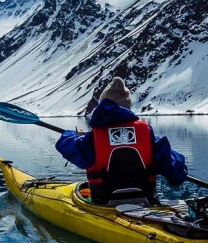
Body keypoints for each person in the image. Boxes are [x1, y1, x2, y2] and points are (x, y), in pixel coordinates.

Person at [56, 77, 187, 204]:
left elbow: (64, 145)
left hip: (104, 203)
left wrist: (75, 136)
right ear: (128, 106)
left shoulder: (92, 139)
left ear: (102, 104)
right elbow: (177, 174)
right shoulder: (147, 133)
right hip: (146, 202)